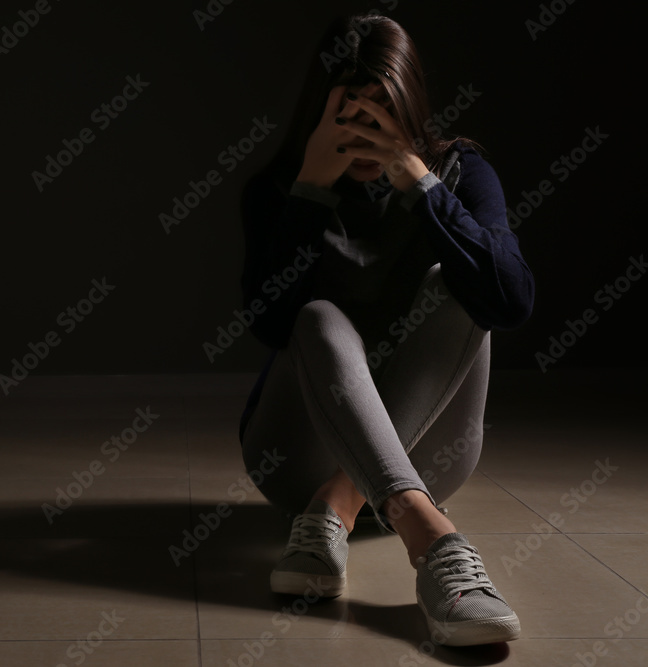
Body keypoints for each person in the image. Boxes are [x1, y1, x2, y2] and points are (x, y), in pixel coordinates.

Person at [237, 12, 534, 647]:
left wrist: (420, 183)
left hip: (433, 451)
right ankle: (433, 540)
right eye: (350, 108)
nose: (365, 127)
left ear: (411, 109)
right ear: (320, 110)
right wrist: (310, 191)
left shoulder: (460, 173)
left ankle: (340, 504)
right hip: (294, 455)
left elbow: (510, 302)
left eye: (384, 108)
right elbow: (268, 324)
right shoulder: (276, 190)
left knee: (457, 292)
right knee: (315, 317)